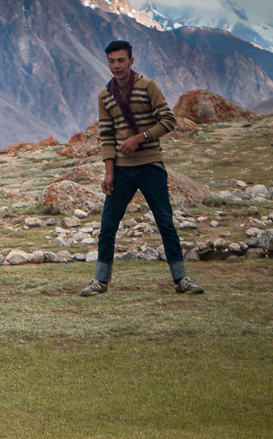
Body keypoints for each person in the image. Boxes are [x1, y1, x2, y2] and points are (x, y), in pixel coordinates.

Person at [80, 41, 205, 297]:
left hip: (150, 166)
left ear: (131, 61)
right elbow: (106, 135)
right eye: (112, 61)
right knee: (107, 226)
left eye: (121, 60)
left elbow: (168, 121)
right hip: (121, 172)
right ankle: (100, 281)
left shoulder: (148, 87)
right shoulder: (105, 96)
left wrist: (140, 137)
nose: (116, 65)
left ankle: (181, 279)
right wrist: (109, 172)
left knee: (165, 223)